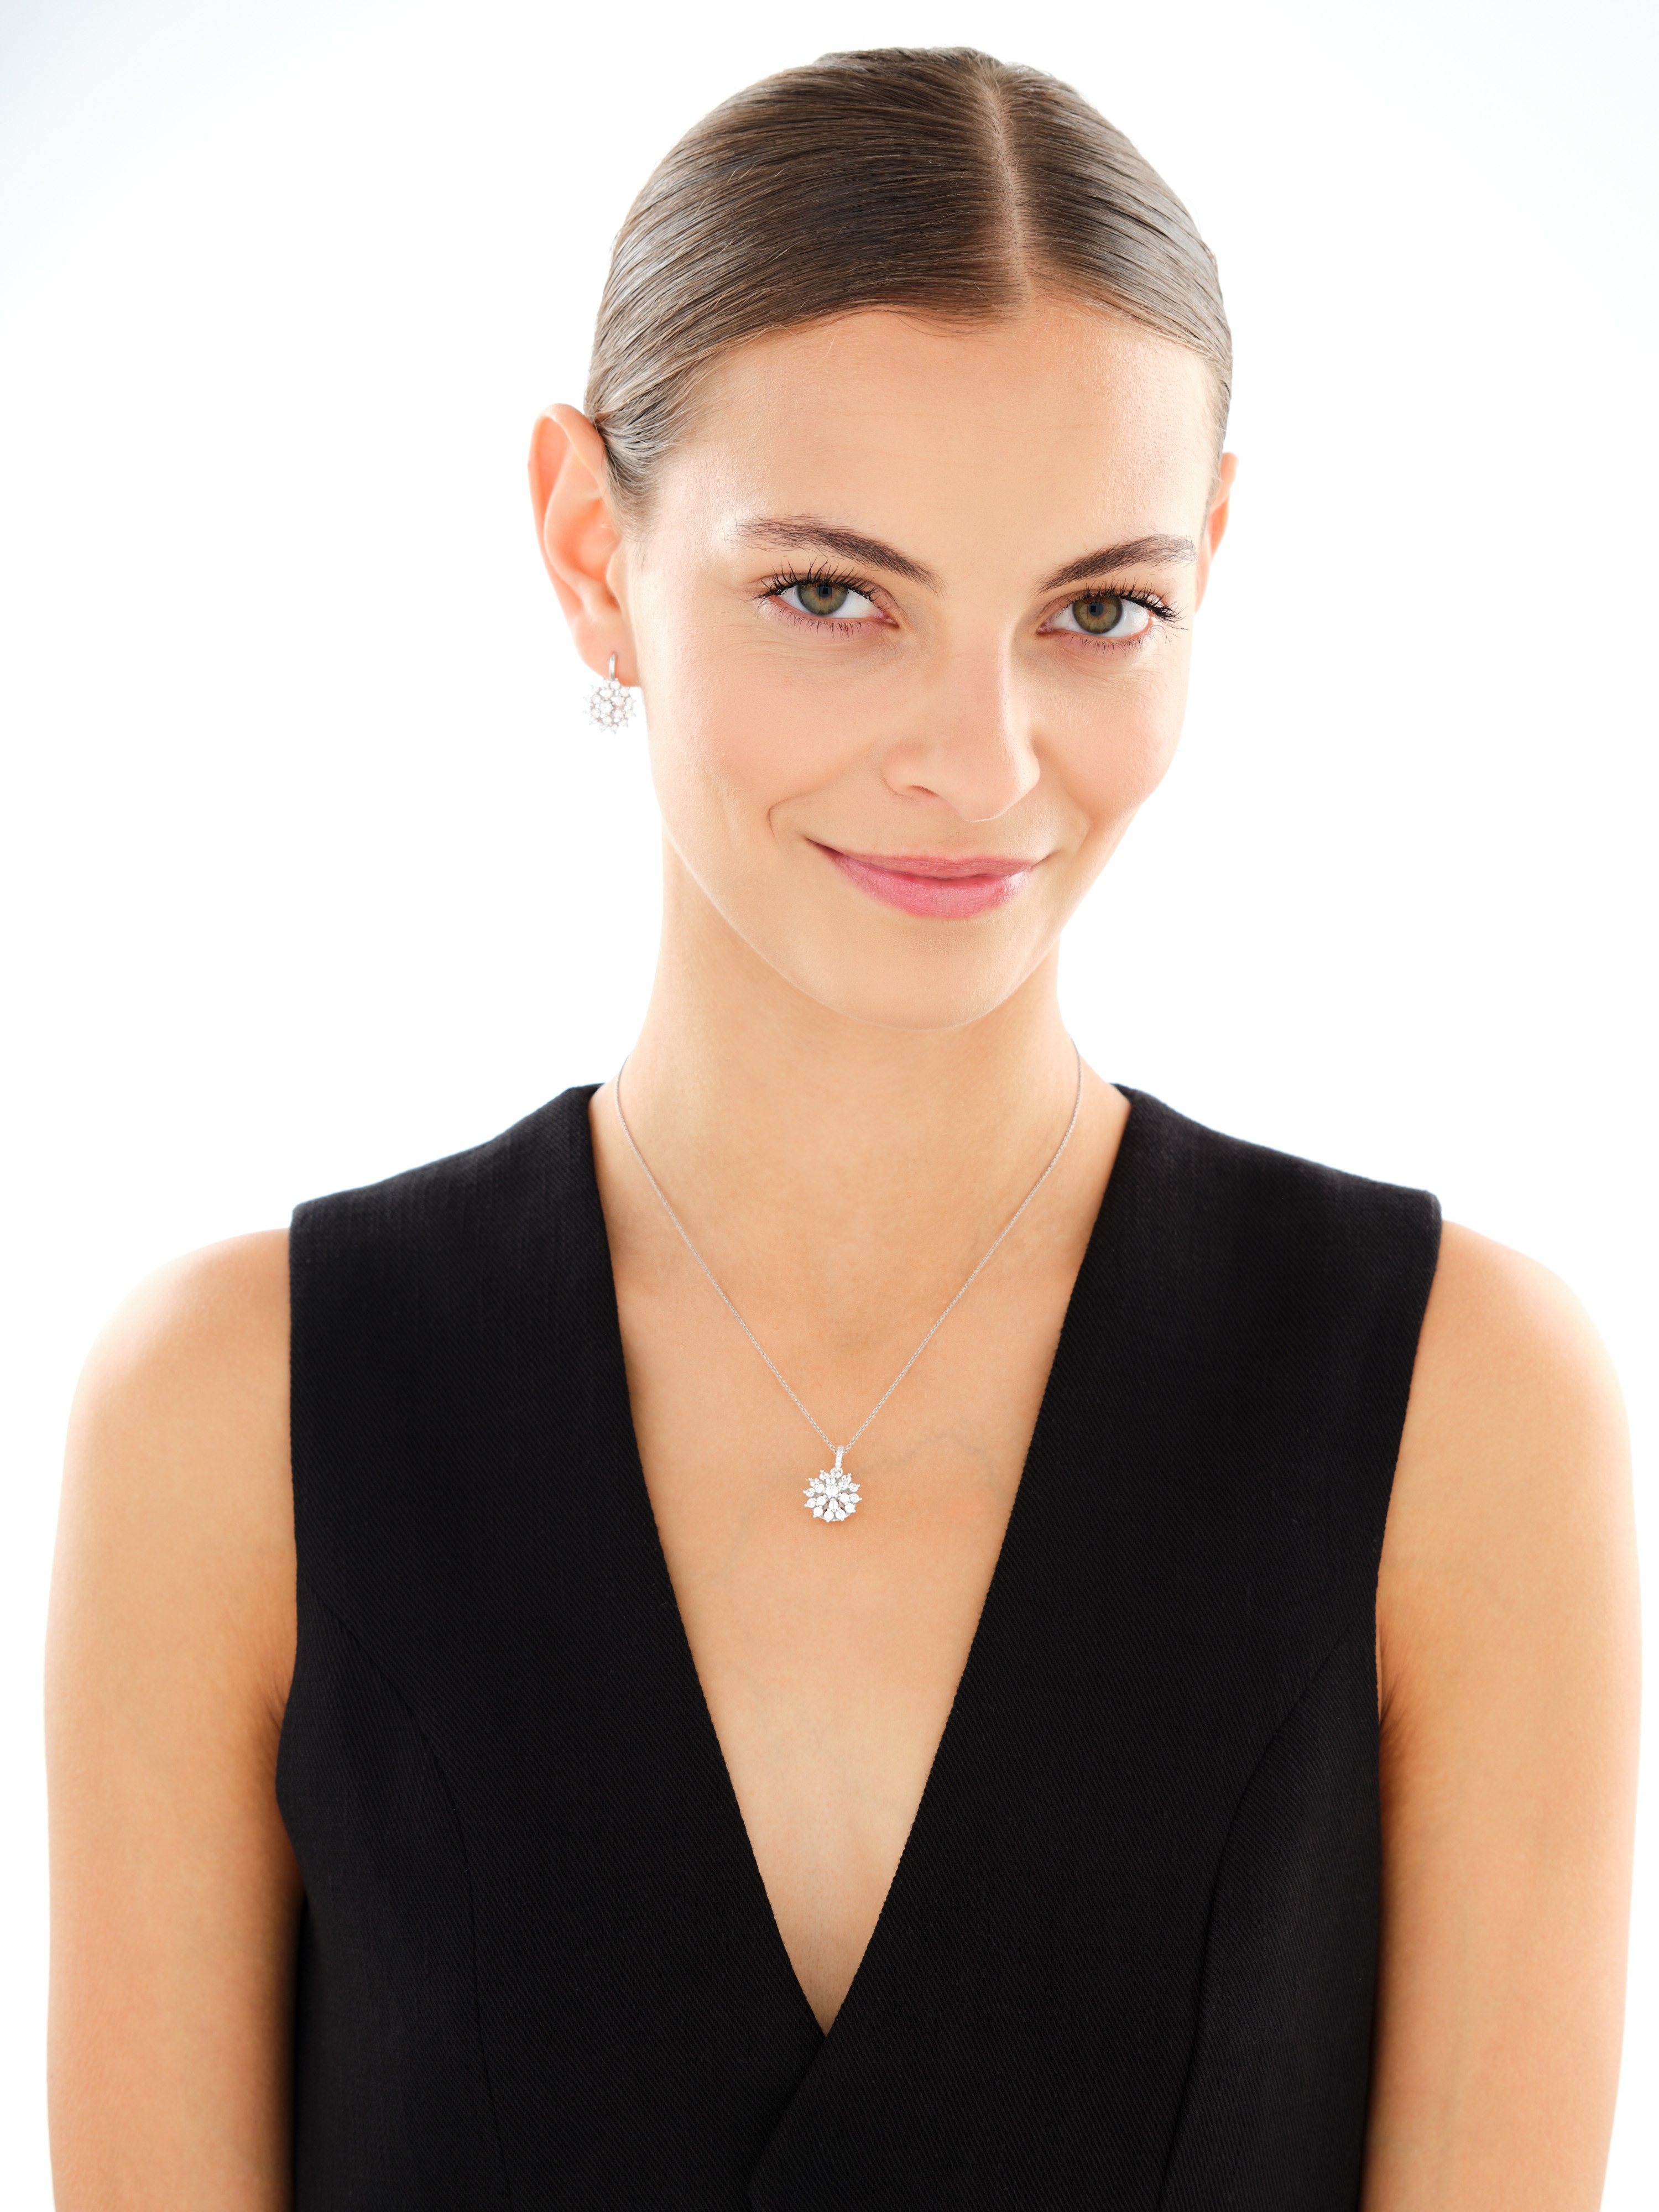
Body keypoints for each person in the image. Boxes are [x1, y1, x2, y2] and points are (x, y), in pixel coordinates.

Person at [45, 45, 1638, 2211]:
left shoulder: (1463, 1402)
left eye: (1098, 609)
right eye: (831, 594)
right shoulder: (234, 1412)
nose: (981, 763)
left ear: (1212, 560)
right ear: (590, 546)